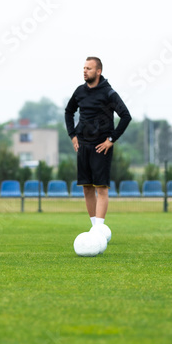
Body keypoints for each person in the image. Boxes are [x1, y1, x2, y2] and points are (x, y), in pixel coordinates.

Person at [64, 57, 132, 231]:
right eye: (84, 68)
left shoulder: (108, 93)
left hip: (101, 147)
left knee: (101, 188)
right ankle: (94, 228)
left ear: (98, 71)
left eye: (89, 68)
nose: (85, 71)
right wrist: (73, 135)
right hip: (83, 146)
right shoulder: (79, 91)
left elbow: (125, 116)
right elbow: (68, 111)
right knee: (87, 188)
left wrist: (111, 140)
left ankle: (99, 230)